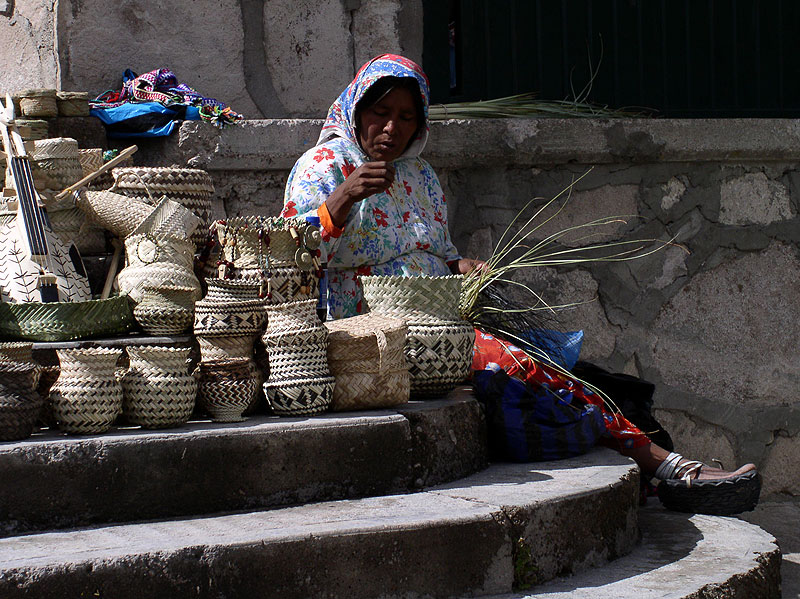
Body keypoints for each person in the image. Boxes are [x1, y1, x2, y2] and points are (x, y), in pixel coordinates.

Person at [282, 54, 758, 511]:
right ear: (356, 108)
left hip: (442, 319)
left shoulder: (421, 176)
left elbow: (439, 253)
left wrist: (465, 268)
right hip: (373, 333)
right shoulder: (324, 166)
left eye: (406, 117)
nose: (391, 129)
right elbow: (290, 261)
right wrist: (343, 198)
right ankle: (664, 465)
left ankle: (657, 471)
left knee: (561, 362)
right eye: (380, 112)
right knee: (516, 363)